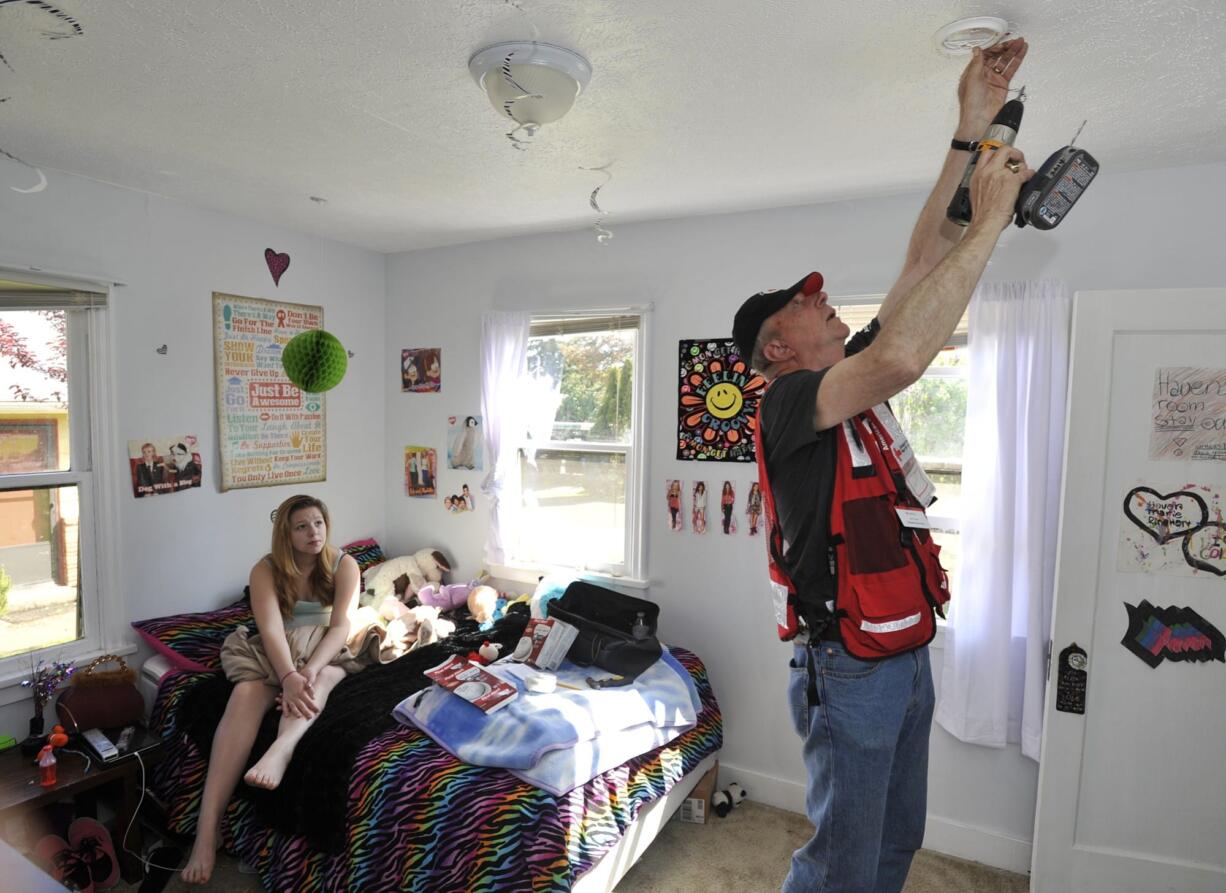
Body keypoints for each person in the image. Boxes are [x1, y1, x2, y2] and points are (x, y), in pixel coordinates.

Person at [730, 39, 1032, 893]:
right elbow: (903, 356)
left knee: (897, 843)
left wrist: (969, 130)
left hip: (902, 648)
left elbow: (921, 263)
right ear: (779, 343)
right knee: (841, 863)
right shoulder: (790, 400)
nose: (825, 298)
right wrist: (995, 222)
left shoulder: (842, 382)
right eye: (806, 298)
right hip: (849, 665)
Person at [182, 494, 362, 885]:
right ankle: (206, 831)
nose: (313, 532)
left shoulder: (345, 564)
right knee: (245, 693)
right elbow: (271, 630)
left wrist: (309, 671)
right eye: (301, 526)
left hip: (323, 650)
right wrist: (288, 676)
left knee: (330, 677)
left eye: (318, 523)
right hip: (277, 651)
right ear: (286, 532)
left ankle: (280, 751)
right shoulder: (264, 570)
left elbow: (341, 627)